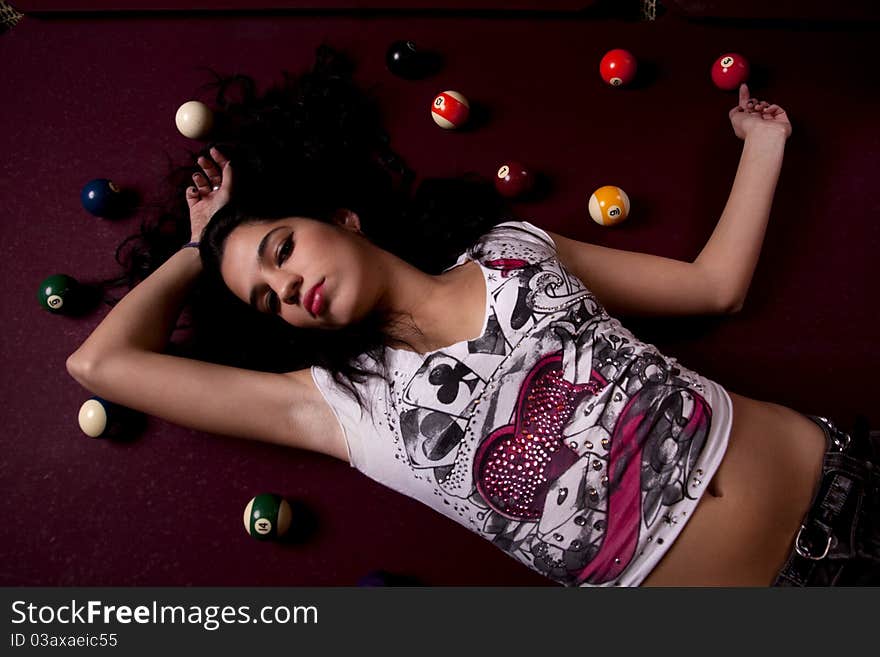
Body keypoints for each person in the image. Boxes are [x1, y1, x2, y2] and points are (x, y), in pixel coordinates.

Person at [65, 45, 878, 587]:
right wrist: (197, 251)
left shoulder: (512, 245)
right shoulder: (339, 408)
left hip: (847, 474)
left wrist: (762, 146)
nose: (288, 287)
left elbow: (713, 287)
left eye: (280, 250)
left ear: (339, 217)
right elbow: (101, 365)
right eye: (268, 299)